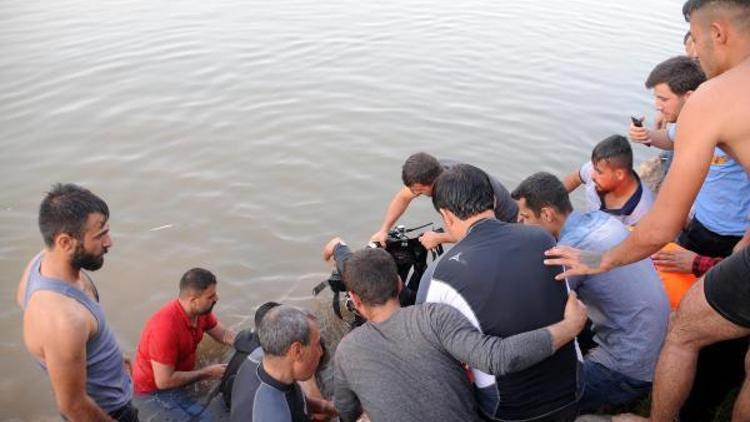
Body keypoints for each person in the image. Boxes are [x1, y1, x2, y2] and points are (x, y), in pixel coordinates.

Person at [545, 1, 750, 420]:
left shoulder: (718, 95)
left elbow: (662, 225)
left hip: (723, 238)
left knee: (685, 331)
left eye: (695, 38)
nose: (695, 53)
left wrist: (602, 259)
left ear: (717, 32)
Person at [327, 244, 587, 422]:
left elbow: (347, 411)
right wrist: (569, 327)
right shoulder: (434, 317)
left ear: (355, 300)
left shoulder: (347, 350)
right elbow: (499, 357)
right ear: (397, 283)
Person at [422, 164, 582, 421]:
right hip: (571, 390)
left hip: (509, 411)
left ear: (446, 215)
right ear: (494, 200)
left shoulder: (442, 276)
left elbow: (439, 360)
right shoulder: (543, 240)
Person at [511, 172, 670, 412]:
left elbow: (535, 313)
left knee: (535, 399)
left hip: (630, 368)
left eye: (524, 217)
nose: (520, 225)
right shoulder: (602, 219)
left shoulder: (570, 250)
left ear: (546, 214)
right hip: (656, 344)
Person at [16, 183, 137, 421]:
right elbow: (73, 406)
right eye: (100, 235)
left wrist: (108, 359)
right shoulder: (63, 321)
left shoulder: (39, 263)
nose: (109, 242)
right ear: (64, 242)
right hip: (105, 413)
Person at [629, 55, 750, 259]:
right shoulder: (690, 122)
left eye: (664, 99)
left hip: (732, 235)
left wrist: (744, 244)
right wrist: (647, 136)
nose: (657, 106)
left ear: (690, 96)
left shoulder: (733, 132)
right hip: (699, 222)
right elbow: (670, 138)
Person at [132, 268, 237, 419]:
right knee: (207, 419)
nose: (217, 299)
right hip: (153, 391)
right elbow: (163, 381)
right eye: (211, 296)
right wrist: (207, 373)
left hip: (177, 376)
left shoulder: (200, 313)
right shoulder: (165, 329)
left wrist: (252, 341)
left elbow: (224, 335)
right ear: (193, 300)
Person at [369, 152, 518, 250]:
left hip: (505, 226)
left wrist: (439, 238)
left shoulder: (454, 193)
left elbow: (473, 231)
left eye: (419, 191)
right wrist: (384, 230)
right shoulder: (435, 169)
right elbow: (403, 197)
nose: (416, 194)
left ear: (432, 184)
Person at [229, 305, 336, 422]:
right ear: (297, 351)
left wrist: (327, 407)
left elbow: (297, 401)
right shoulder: (272, 416)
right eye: (316, 345)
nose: (320, 352)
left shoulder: (260, 357)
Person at [563, 134, 655, 226]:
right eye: (594, 168)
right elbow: (573, 179)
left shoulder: (641, 210)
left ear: (619, 174)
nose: (592, 175)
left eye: (599, 172)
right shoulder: (595, 170)